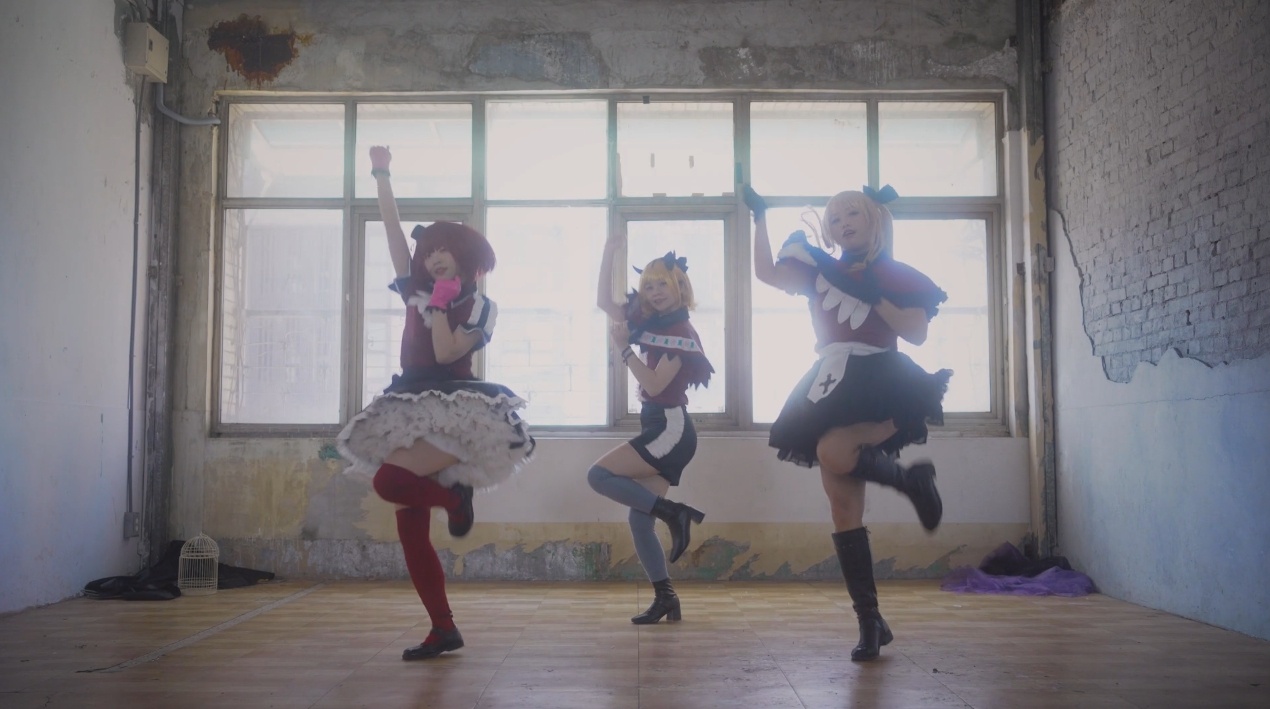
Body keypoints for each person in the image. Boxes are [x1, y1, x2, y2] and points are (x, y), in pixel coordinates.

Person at [337, 146, 534, 661]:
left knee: (388, 482)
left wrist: (443, 305)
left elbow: (447, 353)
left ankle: (455, 500)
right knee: (409, 528)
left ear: (465, 257)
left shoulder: (480, 306)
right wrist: (382, 175)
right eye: (428, 253)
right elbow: (392, 233)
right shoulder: (416, 292)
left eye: (443, 250)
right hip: (408, 402)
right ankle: (443, 628)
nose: (432, 257)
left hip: (455, 412)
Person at [744, 183, 951, 661]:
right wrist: (759, 218)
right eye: (835, 219)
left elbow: (917, 334)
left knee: (834, 452)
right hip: (828, 382)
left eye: (852, 214)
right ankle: (870, 621)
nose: (842, 224)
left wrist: (874, 296)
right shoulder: (820, 270)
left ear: (873, 218)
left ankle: (911, 481)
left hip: (881, 379)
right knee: (842, 511)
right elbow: (766, 273)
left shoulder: (896, 274)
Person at [587, 225, 714, 625]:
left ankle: (674, 513)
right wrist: (609, 250)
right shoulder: (651, 322)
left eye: (663, 284)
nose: (655, 291)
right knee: (639, 519)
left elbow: (656, 385)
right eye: (649, 285)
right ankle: (666, 598)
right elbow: (603, 301)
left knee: (598, 475)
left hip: (671, 429)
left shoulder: (680, 332)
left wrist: (624, 349)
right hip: (661, 426)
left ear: (680, 287)